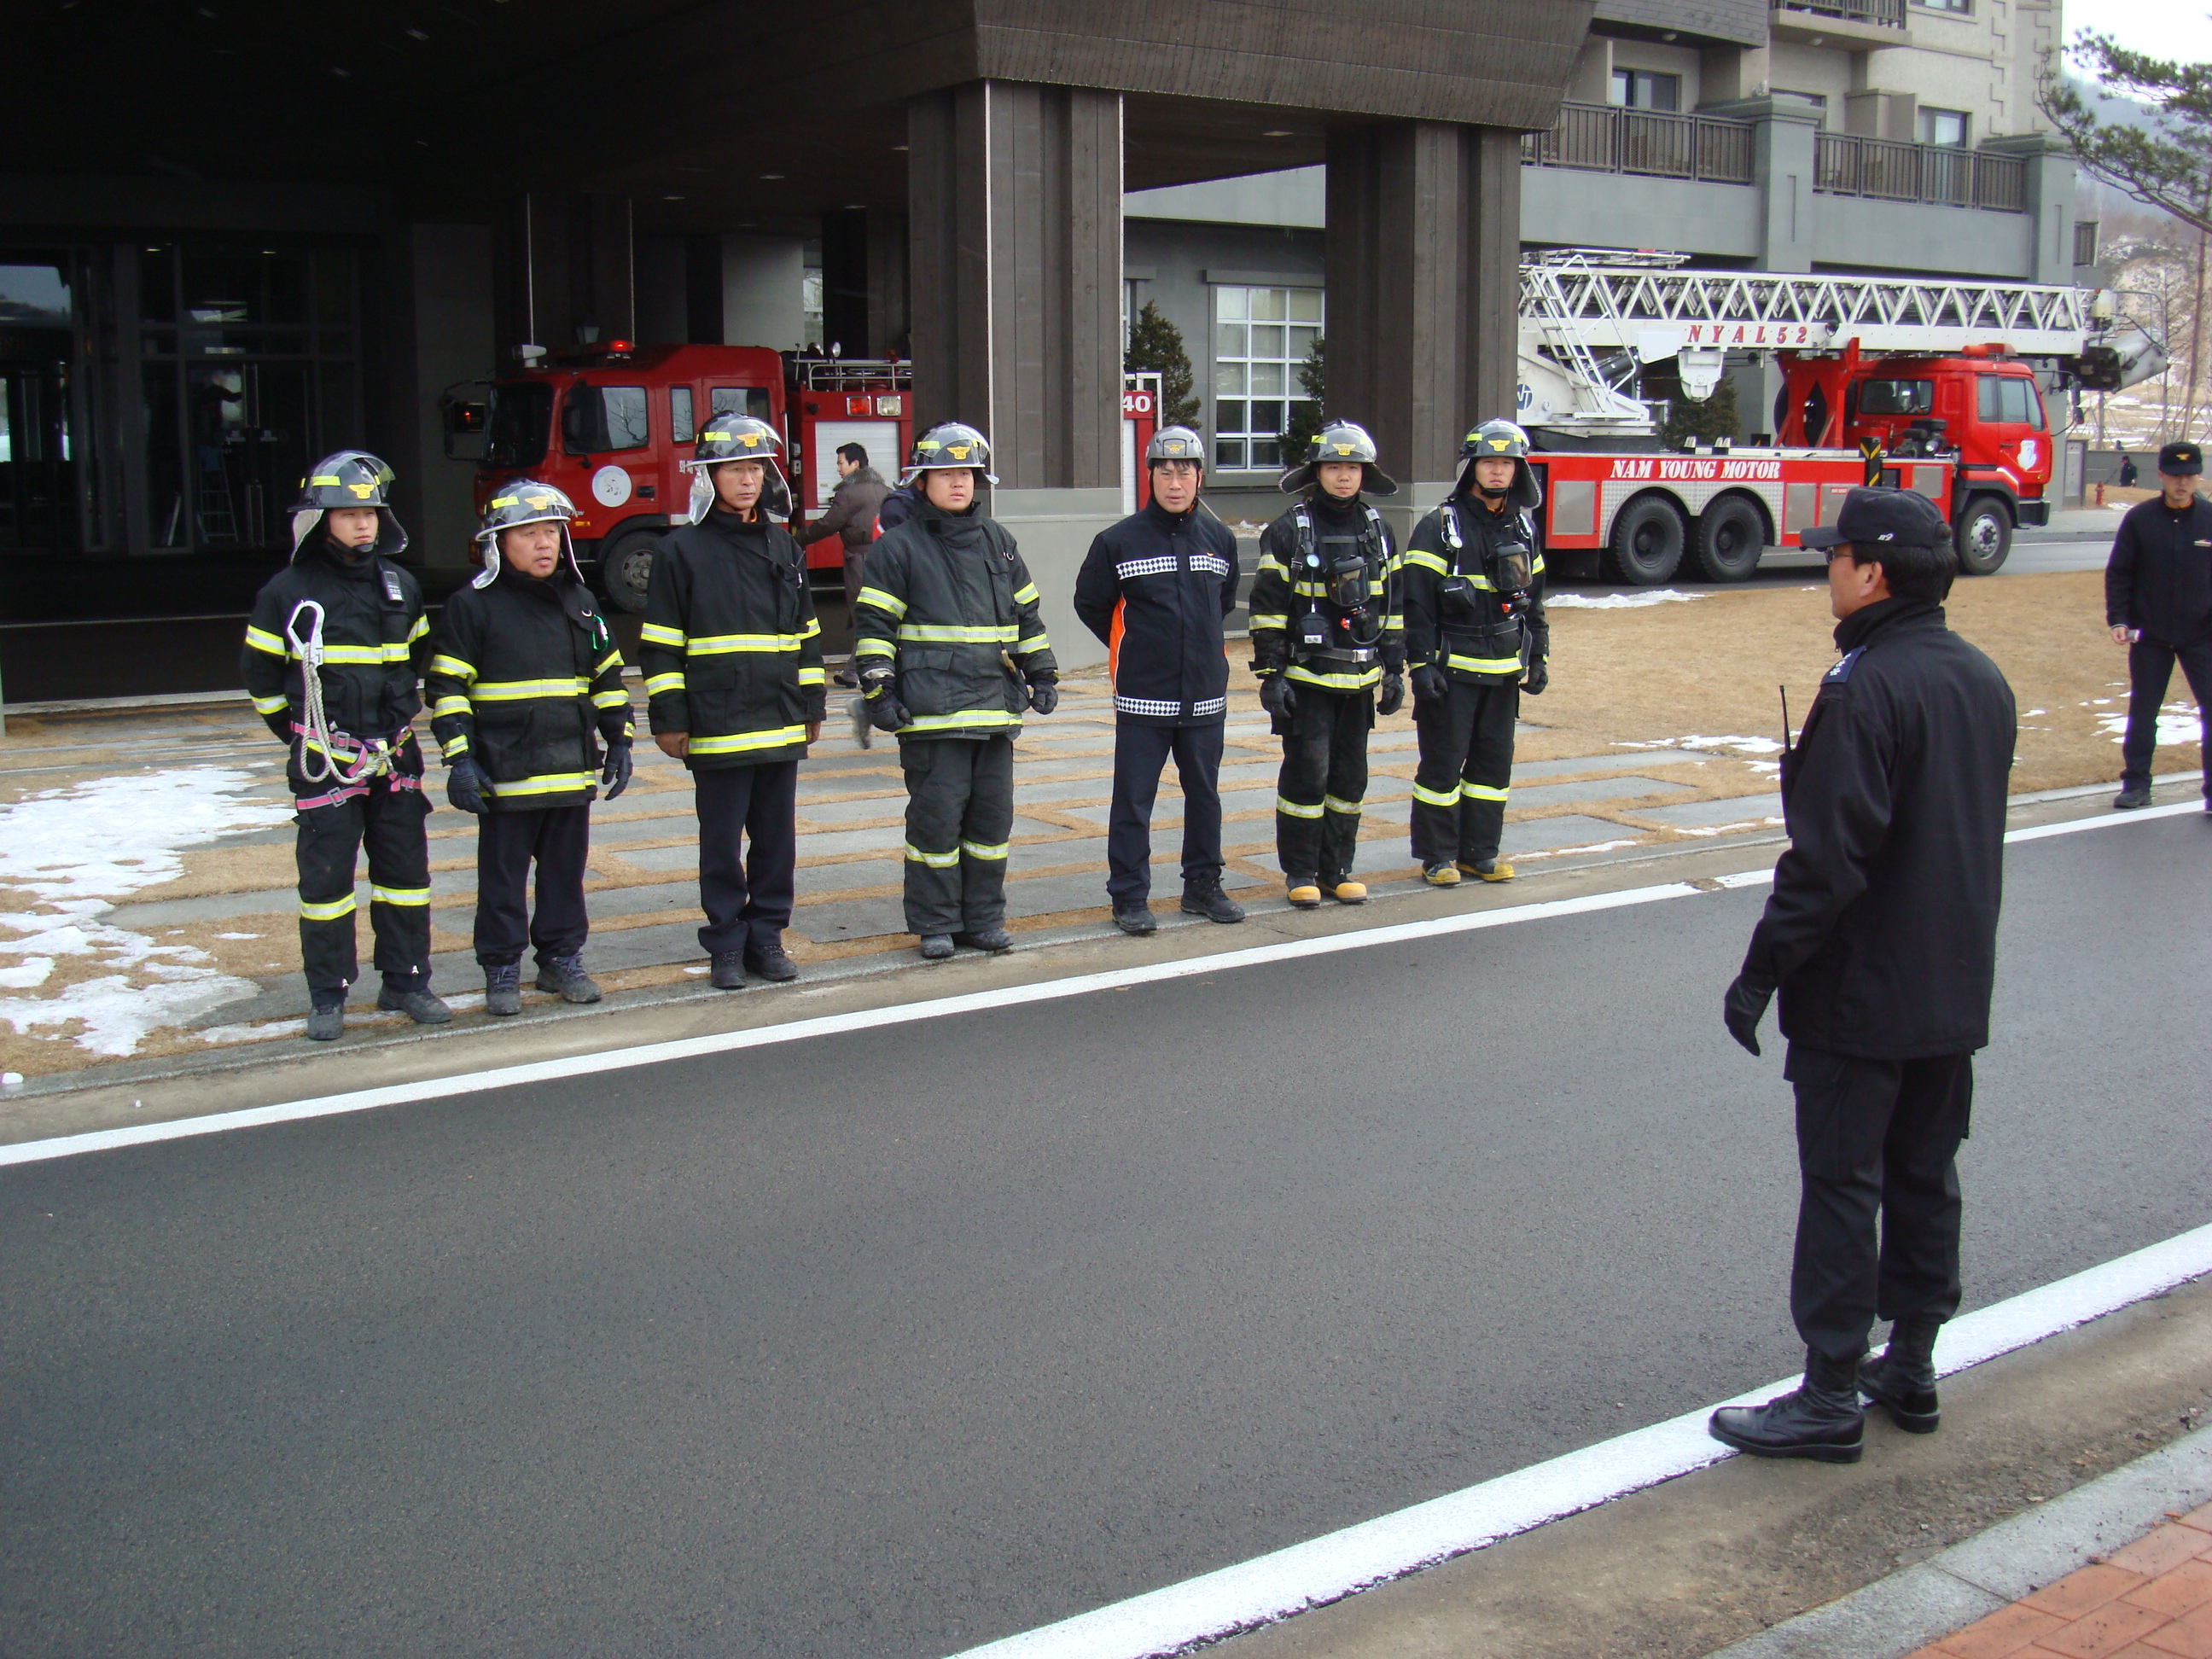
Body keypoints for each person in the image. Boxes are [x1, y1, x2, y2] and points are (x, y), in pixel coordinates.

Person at [1712, 485, 2016, 1464]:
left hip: (1861, 991)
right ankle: (1912, 1364)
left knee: (1845, 1185)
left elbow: (1827, 863)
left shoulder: (1863, 688)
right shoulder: (1982, 679)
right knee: (1927, 1175)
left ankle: (1831, 1389)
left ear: (1873, 572)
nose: (1828, 570)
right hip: (1953, 982)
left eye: (1836, 556)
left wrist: (1760, 973)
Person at [241, 451, 447, 1041]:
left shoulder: (402, 587)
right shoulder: (287, 592)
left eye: (371, 513)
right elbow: (261, 679)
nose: (362, 524)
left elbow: (415, 661)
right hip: (324, 763)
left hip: (395, 760)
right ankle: (328, 996)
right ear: (320, 520)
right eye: (349, 514)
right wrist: (307, 741)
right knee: (326, 887)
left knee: (405, 878)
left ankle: (406, 981)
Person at [850, 422, 1057, 960]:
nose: (959, 481)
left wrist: (1042, 672)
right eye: (946, 472)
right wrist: (879, 691)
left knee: (991, 825)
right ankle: (936, 924)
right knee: (936, 825)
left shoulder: (999, 543)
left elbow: (1027, 616)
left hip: (994, 712)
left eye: (966, 472)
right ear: (922, 482)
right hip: (932, 717)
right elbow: (875, 628)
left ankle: (982, 920)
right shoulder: (899, 548)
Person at [426, 483, 634, 1016]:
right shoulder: (471, 606)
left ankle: (561, 960)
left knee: (565, 876)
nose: (544, 544)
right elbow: (447, 688)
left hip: (569, 770)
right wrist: (460, 759)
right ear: (498, 543)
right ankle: (501, 969)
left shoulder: (581, 602)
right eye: (528, 533)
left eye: (551, 532)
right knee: (502, 881)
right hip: (505, 772)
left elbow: (607, 677)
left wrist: (620, 739)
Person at [638, 416, 826, 990]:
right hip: (715, 722)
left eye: (755, 469)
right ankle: (725, 943)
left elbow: (807, 633)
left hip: (779, 718)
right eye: (735, 469)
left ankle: (766, 938)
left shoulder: (783, 545)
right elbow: (660, 644)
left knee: (776, 843)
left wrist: (813, 704)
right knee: (720, 845)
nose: (748, 481)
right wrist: (669, 718)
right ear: (708, 476)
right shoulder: (681, 551)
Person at [1073, 425, 1246, 934]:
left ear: (1199, 477)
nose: (1175, 482)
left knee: (1205, 796)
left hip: (1205, 698)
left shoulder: (1219, 539)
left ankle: (1203, 886)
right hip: (1143, 699)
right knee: (1133, 801)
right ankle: (1129, 896)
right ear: (1149, 475)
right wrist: (1136, 647)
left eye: (1184, 472)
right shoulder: (1117, 541)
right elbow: (1091, 604)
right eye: (1165, 472)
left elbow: (1222, 602)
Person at [1247, 422, 1405, 908]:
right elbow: (1268, 609)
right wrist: (1271, 675)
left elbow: (1392, 606)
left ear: (1365, 474)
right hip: (1307, 682)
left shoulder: (1378, 532)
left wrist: (1395, 669)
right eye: (1334, 466)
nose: (1343, 476)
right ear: (1316, 471)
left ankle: (1337, 870)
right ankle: (1300, 871)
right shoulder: (1289, 531)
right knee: (1307, 777)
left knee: (1349, 781)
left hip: (1359, 682)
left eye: (1352, 468)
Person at [1401, 418, 1551, 887]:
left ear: (1518, 470)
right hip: (1452, 673)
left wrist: (1539, 655)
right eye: (1489, 461)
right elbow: (1416, 602)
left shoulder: (1523, 527)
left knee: (1492, 768)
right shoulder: (1440, 526)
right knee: (1442, 768)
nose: (1497, 470)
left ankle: (1480, 853)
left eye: (1507, 462)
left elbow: (1534, 601)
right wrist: (1421, 665)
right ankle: (1438, 857)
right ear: (1471, 467)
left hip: (1503, 673)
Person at [2106, 439, 2210, 812]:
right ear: (2161, 475)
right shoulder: (2140, 519)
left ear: (2198, 478)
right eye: (2175, 475)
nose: (2182, 483)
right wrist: (2119, 618)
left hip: (2202, 634)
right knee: (2144, 711)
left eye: (2190, 476)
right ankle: (2136, 784)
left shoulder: (2209, 519)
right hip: (2151, 635)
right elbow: (2120, 572)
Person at [800, 442, 889, 688]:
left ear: (855, 464)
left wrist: (797, 539)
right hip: (884, 557)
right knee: (877, 613)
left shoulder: (848, 493)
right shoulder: (885, 489)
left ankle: (855, 671)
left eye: (841, 463)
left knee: (863, 614)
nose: (838, 468)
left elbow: (828, 524)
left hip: (859, 561)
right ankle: (855, 670)